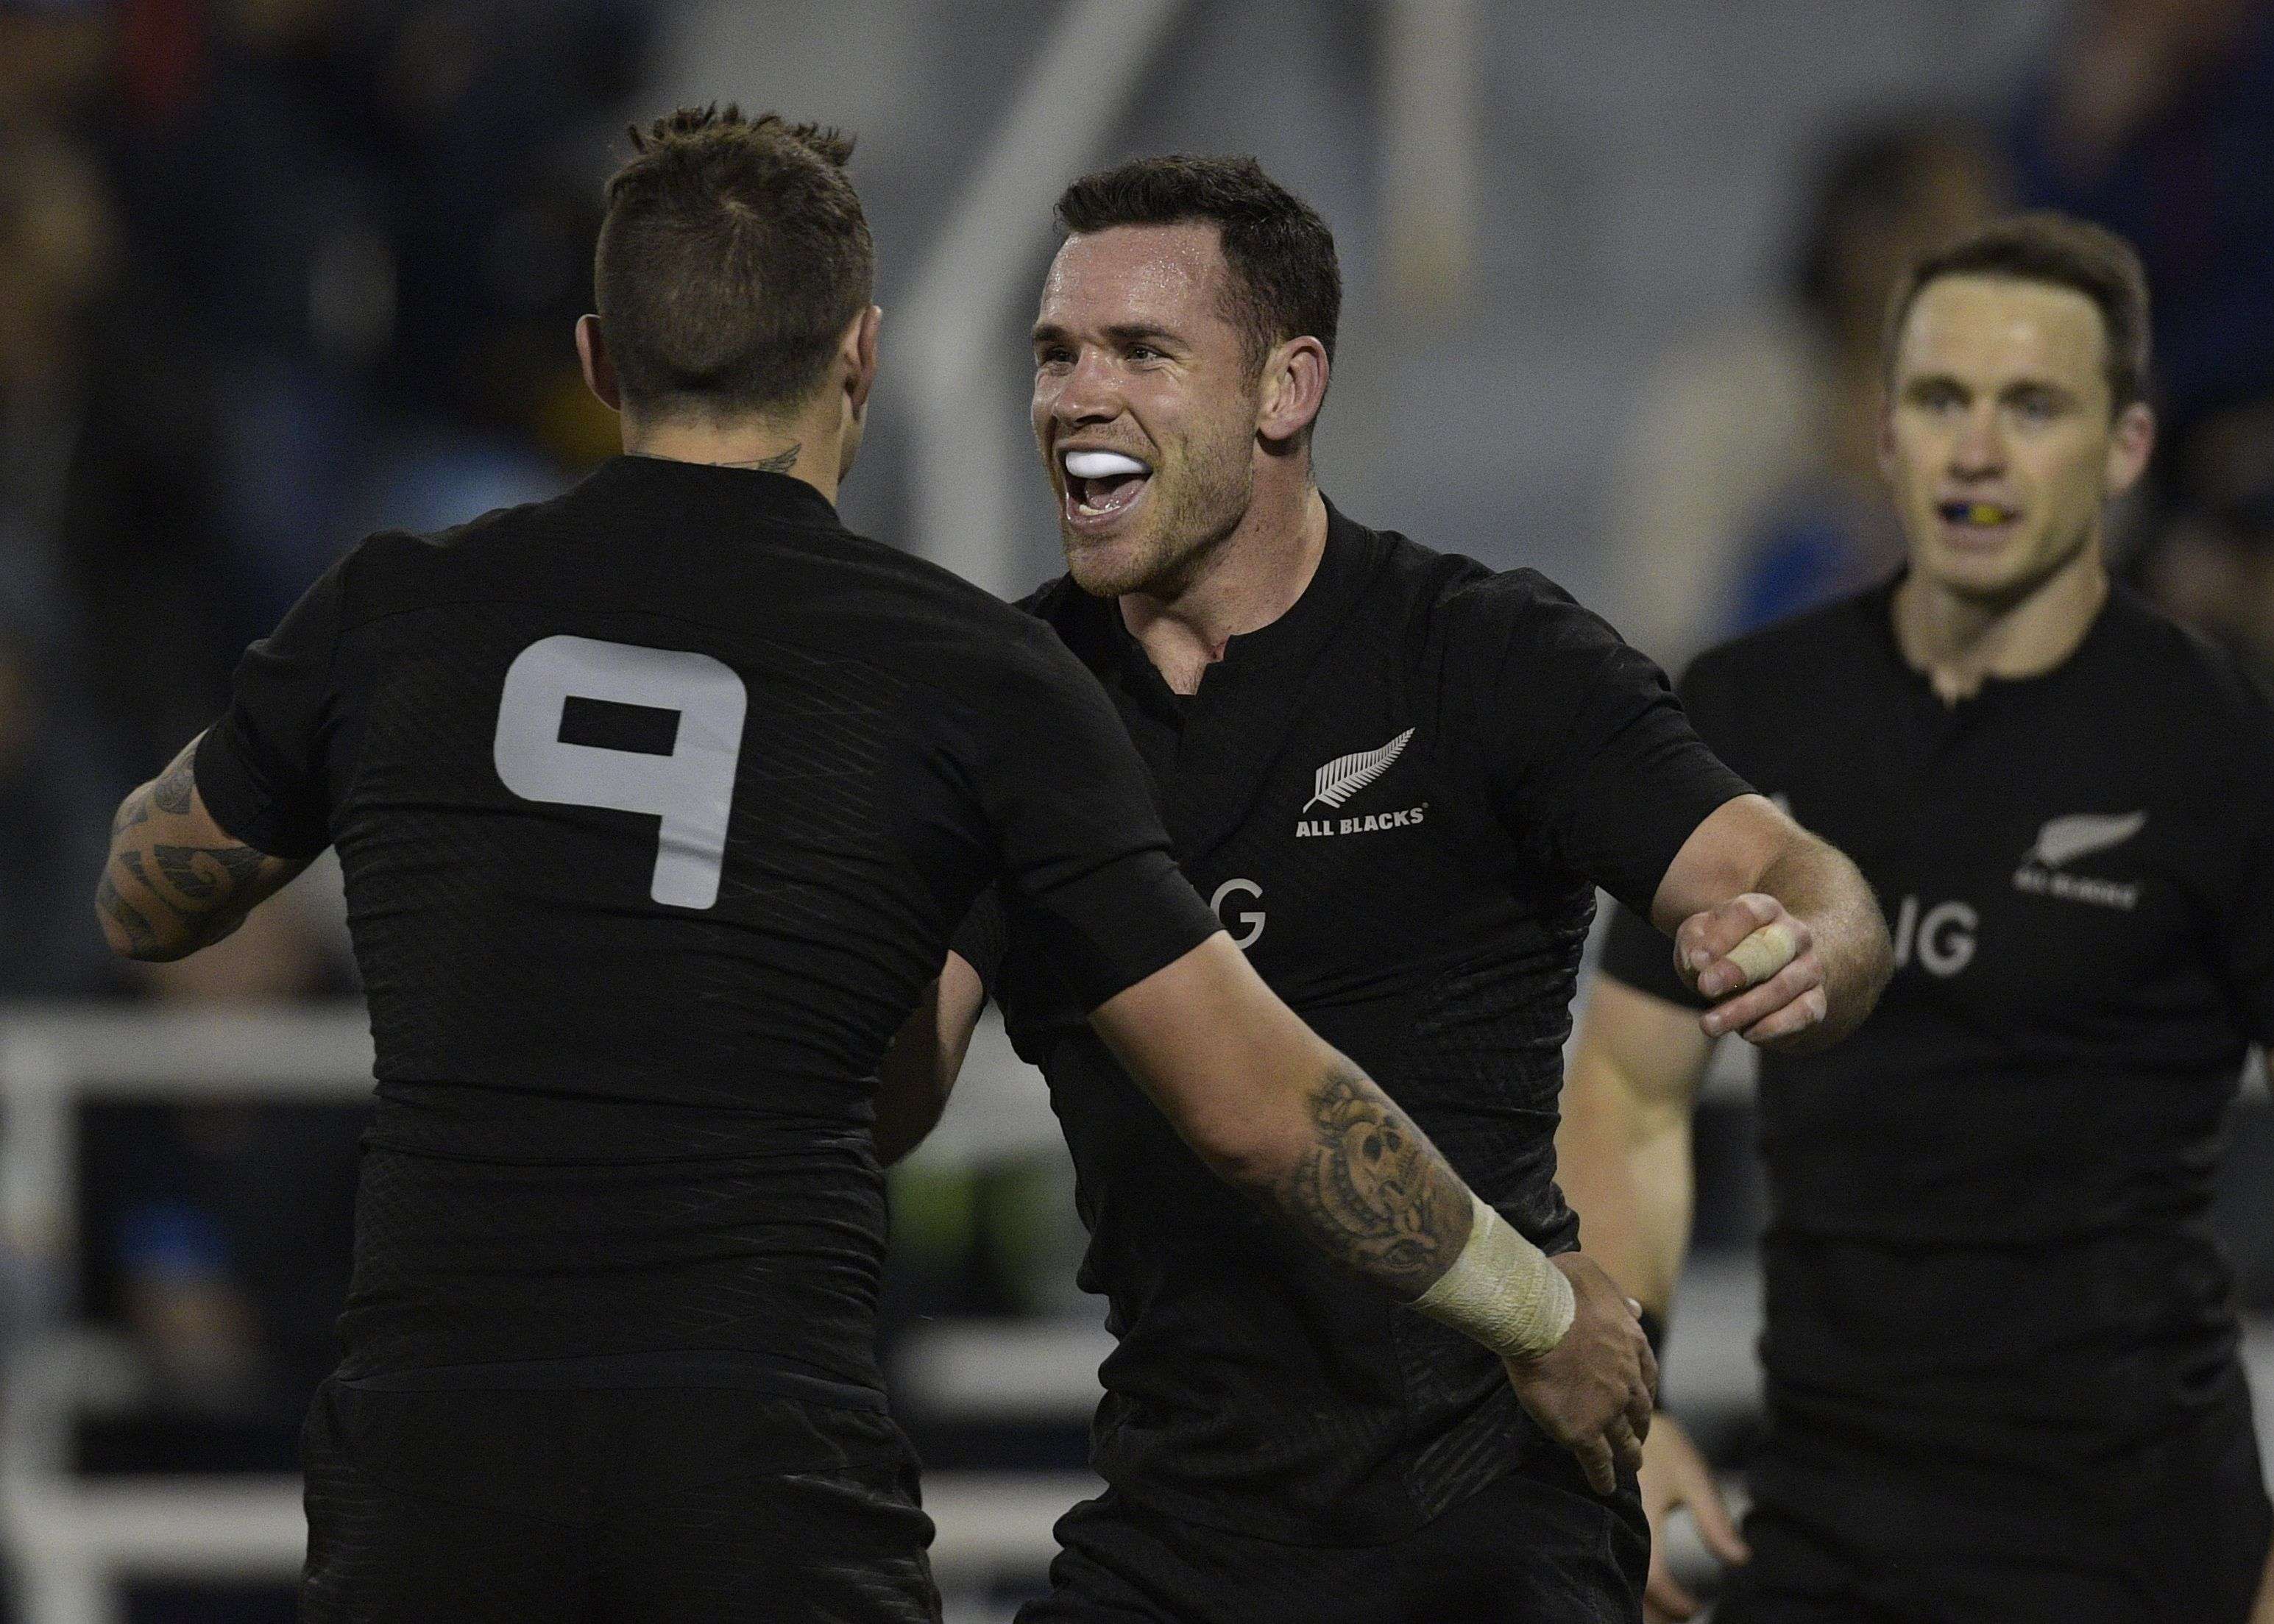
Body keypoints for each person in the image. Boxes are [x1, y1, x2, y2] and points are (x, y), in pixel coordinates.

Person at [93, 108, 1654, 1623]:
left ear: (595, 362)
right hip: (756, 1463)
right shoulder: (973, 678)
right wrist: (1533, 1303)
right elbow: (1249, 1103)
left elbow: (145, 894)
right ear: (861, 355)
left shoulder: (393, 613)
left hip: (432, 1454)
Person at [890, 155, 1890, 1624]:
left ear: (1285, 391)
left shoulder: (1485, 654)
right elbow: (895, 1085)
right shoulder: (1014, 709)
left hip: (1490, 1514)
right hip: (1174, 1529)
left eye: (1142, 352)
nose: (1075, 395)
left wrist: (1817, 944)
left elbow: (1786, 872)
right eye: (1056, 353)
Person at [1559, 213, 2274, 1624]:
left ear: (2126, 448)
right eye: (1940, 400)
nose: (1977, 450)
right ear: (1879, 433)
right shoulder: (1748, 711)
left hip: (2144, 1544)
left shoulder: (2217, 746)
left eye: (2033, 406)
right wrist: (1610, 1425)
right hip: (1827, 1529)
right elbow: (1631, 1089)